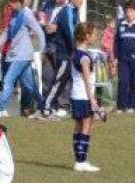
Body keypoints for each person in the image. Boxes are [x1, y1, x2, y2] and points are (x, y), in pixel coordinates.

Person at [0, 0, 45, 119]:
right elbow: (6, 34)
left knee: (8, 80)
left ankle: (0, 108)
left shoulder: (26, 14)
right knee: (30, 86)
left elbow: (39, 31)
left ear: (19, 2)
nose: (10, 5)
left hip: (23, 54)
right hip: (15, 53)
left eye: (13, 2)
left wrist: (42, 50)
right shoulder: (14, 14)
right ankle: (44, 106)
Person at [69, 22, 101, 172]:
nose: (96, 36)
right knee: (87, 126)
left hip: (75, 95)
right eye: (94, 34)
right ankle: (81, 161)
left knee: (78, 125)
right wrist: (93, 100)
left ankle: (78, 160)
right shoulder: (85, 57)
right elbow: (87, 79)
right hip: (83, 96)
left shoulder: (75, 53)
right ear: (87, 36)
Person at [43, 0, 82, 117]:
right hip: (64, 53)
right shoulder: (67, 11)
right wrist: (77, 49)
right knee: (59, 80)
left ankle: (59, 106)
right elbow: (70, 33)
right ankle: (46, 106)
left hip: (69, 52)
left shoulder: (74, 10)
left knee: (65, 80)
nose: (82, 2)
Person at [114, 0, 135, 113]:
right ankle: (121, 106)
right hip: (123, 59)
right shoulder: (121, 25)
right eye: (127, 11)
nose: (129, 14)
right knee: (123, 82)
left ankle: (131, 106)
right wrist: (115, 58)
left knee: (134, 82)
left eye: (131, 11)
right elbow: (116, 43)